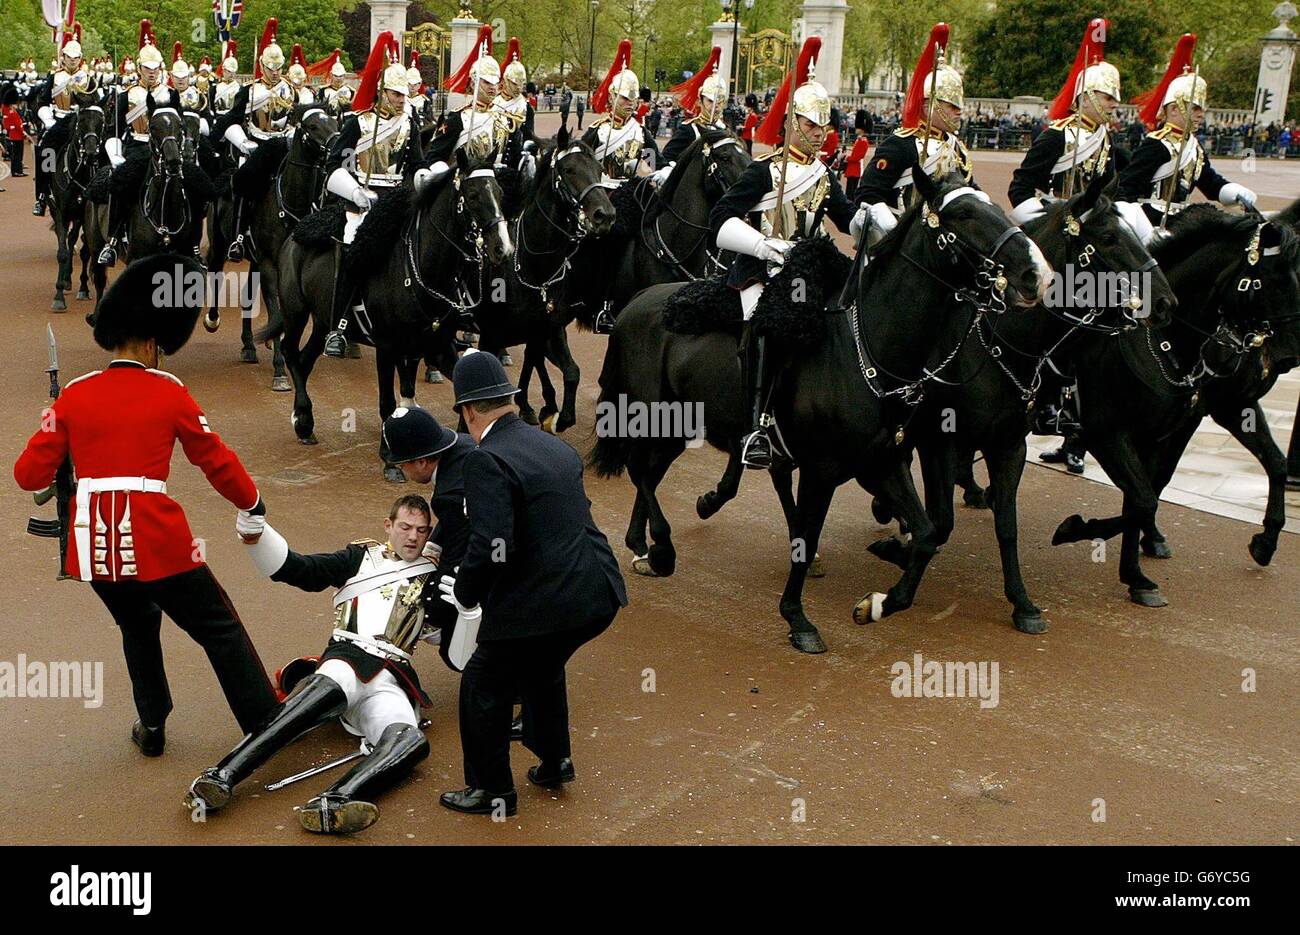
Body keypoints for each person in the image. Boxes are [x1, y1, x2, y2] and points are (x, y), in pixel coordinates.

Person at [12, 253, 279, 755]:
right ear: (154, 343)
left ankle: (152, 725)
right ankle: (264, 719)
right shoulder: (168, 391)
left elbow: (28, 474)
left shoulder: (72, 394)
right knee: (219, 626)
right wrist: (254, 500)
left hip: (91, 548)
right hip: (154, 538)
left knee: (135, 623)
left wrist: (59, 440)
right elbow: (215, 460)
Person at [186, 490, 447, 835]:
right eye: (406, 527)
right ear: (388, 525)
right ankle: (220, 776)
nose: (413, 536)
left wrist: (467, 609)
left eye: (422, 530)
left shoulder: (435, 578)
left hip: (393, 677)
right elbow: (299, 569)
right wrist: (257, 535)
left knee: (409, 740)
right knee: (317, 695)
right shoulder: (359, 558)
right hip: (348, 657)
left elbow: (454, 650)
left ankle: (335, 800)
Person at [438, 351, 628, 816]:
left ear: (467, 411)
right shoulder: (554, 445)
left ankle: (492, 790)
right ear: (509, 398)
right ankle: (555, 759)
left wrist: (466, 592)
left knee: (483, 681)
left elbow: (492, 543)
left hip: (549, 599)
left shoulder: (485, 461)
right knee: (542, 664)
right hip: (597, 591)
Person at [708, 37, 861, 470]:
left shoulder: (823, 176)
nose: (819, 135)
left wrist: (875, 221)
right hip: (760, 268)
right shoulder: (764, 172)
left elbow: (846, 220)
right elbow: (720, 220)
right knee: (764, 326)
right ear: (793, 123)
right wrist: (764, 245)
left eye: (823, 128)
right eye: (812, 126)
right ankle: (757, 425)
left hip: (807, 269)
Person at [1008, 20, 1124, 474]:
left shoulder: (1106, 140)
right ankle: (1040, 396)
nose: (1115, 105)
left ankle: (1078, 430)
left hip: (1089, 248)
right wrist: (1054, 215)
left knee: (1107, 317)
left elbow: (1111, 191)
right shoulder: (1058, 136)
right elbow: (1020, 188)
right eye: (1108, 97)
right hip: (1056, 247)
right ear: (1087, 97)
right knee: (1049, 323)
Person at [320, 31, 424, 359]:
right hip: (362, 199)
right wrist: (354, 191)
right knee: (351, 246)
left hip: (397, 197)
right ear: (381, 92)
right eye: (395, 94)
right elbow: (334, 164)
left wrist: (426, 178)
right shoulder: (358, 124)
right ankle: (338, 325)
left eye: (403, 94)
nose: (401, 99)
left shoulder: (410, 124)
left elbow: (418, 163)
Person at [1117, 33, 1256, 231]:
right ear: (1173, 109)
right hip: (1150, 223)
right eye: (1195, 109)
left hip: (1181, 221)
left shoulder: (1194, 147)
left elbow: (1210, 183)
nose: (1201, 114)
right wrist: (1141, 229)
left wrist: (1233, 191)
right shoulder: (1156, 144)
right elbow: (1126, 190)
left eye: (1202, 109)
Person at [856, 23, 974, 219]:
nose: (959, 112)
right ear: (930, 106)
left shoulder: (956, 148)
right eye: (952, 106)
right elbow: (869, 192)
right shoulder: (902, 144)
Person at [97, 21, 183, 267]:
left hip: (168, 150)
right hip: (137, 148)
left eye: (156, 68)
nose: (152, 72)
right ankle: (113, 240)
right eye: (147, 68)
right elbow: (113, 128)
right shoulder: (127, 95)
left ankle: (192, 243)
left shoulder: (170, 95)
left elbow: (181, 125)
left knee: (194, 185)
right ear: (139, 68)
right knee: (121, 184)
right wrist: (115, 153)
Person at [843, 109, 871, 199]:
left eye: (857, 127)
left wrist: (847, 158)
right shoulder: (859, 140)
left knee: (851, 193)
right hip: (852, 169)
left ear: (862, 129)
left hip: (855, 170)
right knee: (849, 192)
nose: (856, 129)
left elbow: (857, 157)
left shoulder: (863, 141)